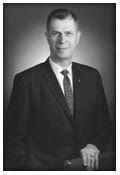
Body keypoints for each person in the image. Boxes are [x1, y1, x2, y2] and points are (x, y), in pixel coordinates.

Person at [5, 8, 112, 171]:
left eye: (68, 33)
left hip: (85, 170)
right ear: (47, 37)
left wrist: (93, 145)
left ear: (78, 37)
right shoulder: (26, 81)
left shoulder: (93, 76)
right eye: (56, 33)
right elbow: (14, 141)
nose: (62, 40)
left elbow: (104, 126)